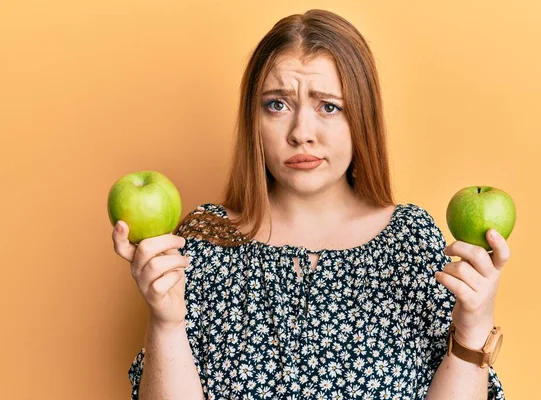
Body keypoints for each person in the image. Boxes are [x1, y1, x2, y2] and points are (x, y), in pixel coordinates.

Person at [112, 9, 508, 400]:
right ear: (254, 118)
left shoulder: (410, 239)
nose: (301, 133)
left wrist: (473, 328)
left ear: (362, 117)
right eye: (277, 105)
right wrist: (166, 322)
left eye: (329, 106)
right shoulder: (203, 239)